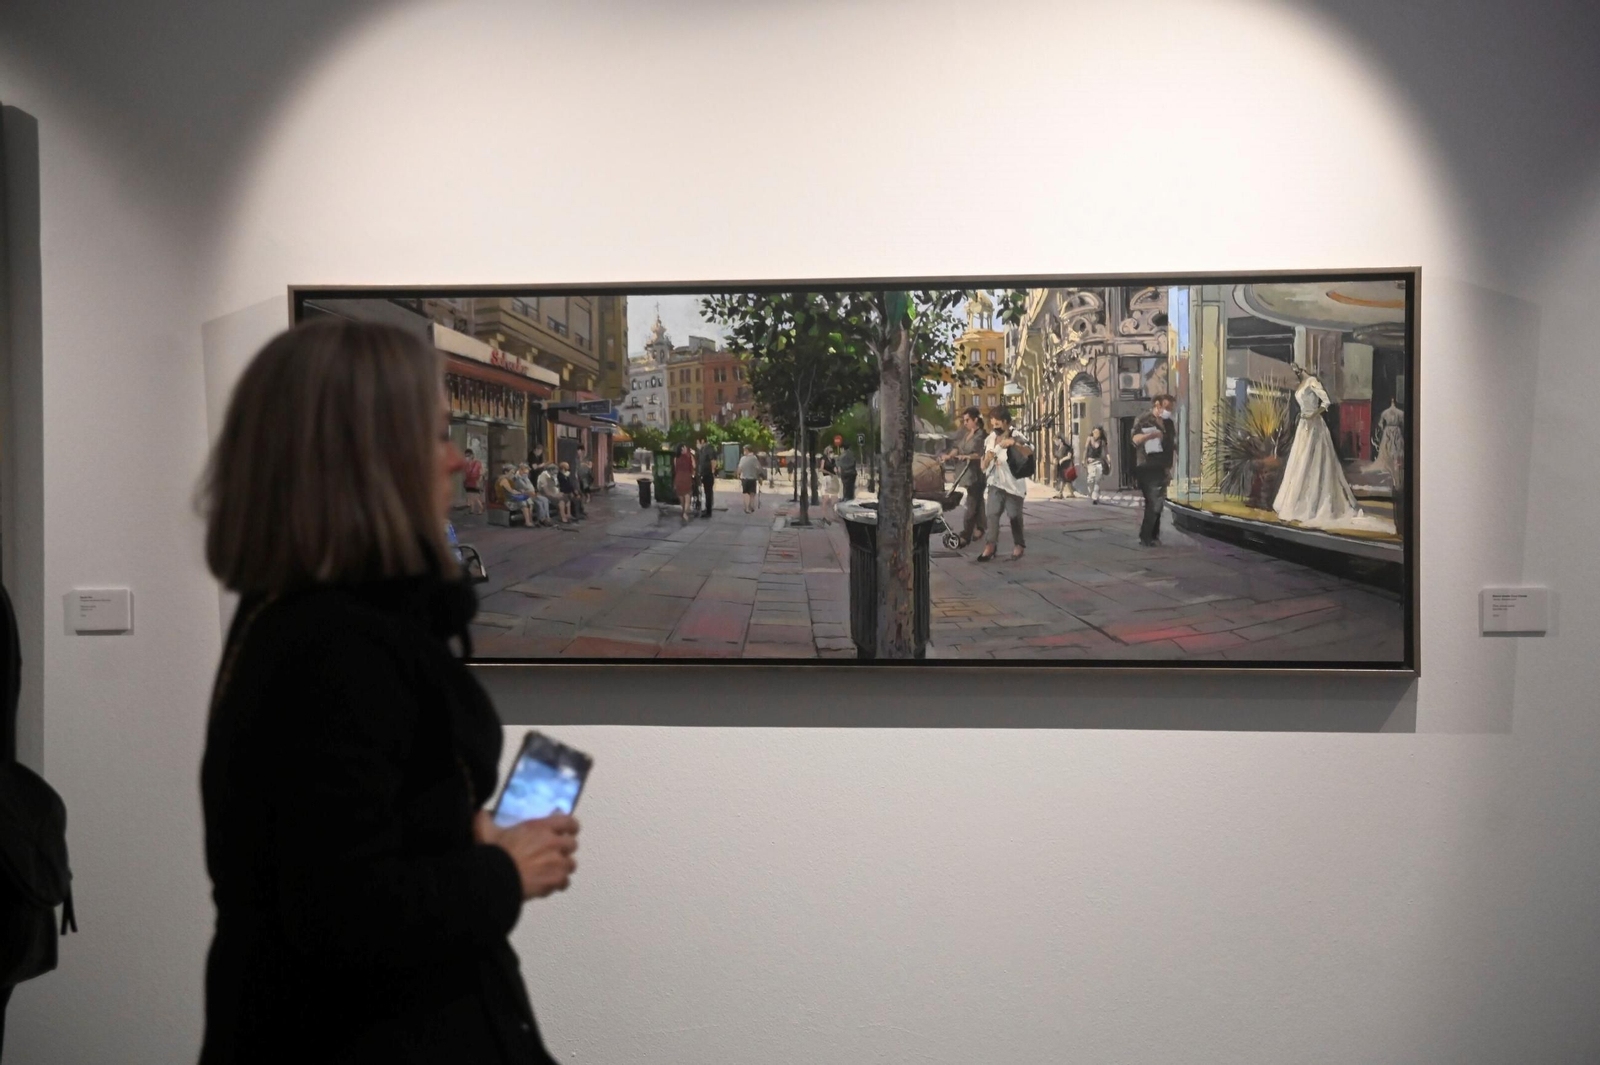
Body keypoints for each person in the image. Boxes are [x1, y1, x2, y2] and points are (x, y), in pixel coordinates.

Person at [198, 318, 579, 1064]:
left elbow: (334, 838)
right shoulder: (335, 645)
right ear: (367, 458)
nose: (458, 462)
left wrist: (460, 834)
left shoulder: (300, 618)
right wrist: (503, 870)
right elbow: (341, 913)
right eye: (438, 434)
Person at [1273, 365, 1368, 528]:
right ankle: (1296, 504)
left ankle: (1314, 505)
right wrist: (1302, 416)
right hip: (1303, 426)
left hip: (1314, 426)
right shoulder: (1301, 384)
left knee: (1312, 462)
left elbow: (1326, 401)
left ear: (1301, 367)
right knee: (1300, 463)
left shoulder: (1312, 382)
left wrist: (1313, 414)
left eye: (1295, 368)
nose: (1294, 371)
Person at [977, 407, 1032, 562]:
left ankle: (1019, 545)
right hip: (995, 482)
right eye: (993, 424)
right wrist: (986, 460)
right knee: (992, 514)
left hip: (1013, 484)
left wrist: (1014, 444)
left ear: (1006, 422)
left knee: (1014, 516)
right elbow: (984, 463)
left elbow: (1029, 451)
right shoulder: (990, 439)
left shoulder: (1016, 435)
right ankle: (990, 546)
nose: (995, 428)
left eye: (998, 424)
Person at [1131, 394, 1177, 546]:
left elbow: (1172, 443)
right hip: (1147, 466)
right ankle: (1146, 537)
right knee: (1153, 501)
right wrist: (1151, 435)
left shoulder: (1169, 423)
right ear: (1157, 405)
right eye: (1167, 408)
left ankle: (1153, 536)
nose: (1169, 411)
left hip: (1162, 467)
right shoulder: (1144, 419)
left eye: (1171, 408)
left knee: (1158, 502)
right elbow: (1135, 440)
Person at [940, 406, 988, 549]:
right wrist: (949, 455)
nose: (965, 423)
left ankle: (965, 536)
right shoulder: (967, 434)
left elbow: (980, 454)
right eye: (964, 420)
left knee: (971, 504)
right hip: (967, 474)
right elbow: (958, 448)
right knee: (977, 502)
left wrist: (966, 456)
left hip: (977, 474)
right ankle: (980, 528)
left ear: (976, 420)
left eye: (968, 420)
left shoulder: (982, 436)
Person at [495, 462, 535, 527]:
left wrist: (520, 491)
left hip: (512, 497)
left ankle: (530, 520)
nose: (513, 474)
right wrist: (521, 492)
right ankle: (527, 521)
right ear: (506, 472)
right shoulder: (503, 480)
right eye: (511, 472)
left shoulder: (509, 479)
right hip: (506, 499)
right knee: (523, 501)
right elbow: (511, 491)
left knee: (528, 499)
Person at [1083, 426, 1109, 504]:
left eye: (1097, 432)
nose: (1095, 434)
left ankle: (1095, 497)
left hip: (1099, 462)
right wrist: (1083, 459)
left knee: (1097, 480)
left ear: (1100, 434)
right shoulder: (1089, 439)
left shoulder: (1102, 441)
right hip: (1090, 462)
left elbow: (1106, 452)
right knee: (1090, 480)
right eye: (1094, 432)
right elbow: (1085, 450)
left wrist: (1109, 461)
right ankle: (1093, 493)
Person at [696, 435, 718, 519]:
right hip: (704, 474)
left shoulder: (709, 449)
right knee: (707, 492)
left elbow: (713, 461)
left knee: (708, 493)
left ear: (702, 441)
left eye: (698, 442)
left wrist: (712, 471)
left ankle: (709, 511)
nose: (697, 444)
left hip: (708, 474)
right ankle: (707, 508)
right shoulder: (703, 450)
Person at [673, 443, 696, 522]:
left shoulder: (676, 458)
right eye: (685, 448)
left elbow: (675, 468)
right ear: (682, 449)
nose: (686, 449)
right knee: (687, 495)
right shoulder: (690, 457)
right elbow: (694, 466)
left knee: (681, 497)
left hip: (678, 478)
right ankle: (685, 513)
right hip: (687, 478)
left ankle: (683, 510)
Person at [737, 446, 762, 513]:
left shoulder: (743, 459)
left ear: (747, 450)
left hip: (744, 479)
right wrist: (759, 477)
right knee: (752, 493)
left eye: (744, 450)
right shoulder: (754, 458)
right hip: (752, 479)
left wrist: (738, 474)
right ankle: (751, 506)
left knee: (745, 493)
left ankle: (747, 508)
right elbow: (758, 468)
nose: (743, 452)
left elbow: (739, 468)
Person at [1052, 435, 1077, 499]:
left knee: (1063, 479)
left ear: (1060, 440)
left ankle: (1060, 493)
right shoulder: (1058, 448)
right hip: (1061, 466)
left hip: (1067, 466)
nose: (1055, 443)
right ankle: (1072, 494)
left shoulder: (1067, 447)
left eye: (1056, 441)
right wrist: (1055, 459)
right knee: (1067, 481)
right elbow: (1056, 456)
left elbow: (1069, 456)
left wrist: (1062, 459)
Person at [820, 447, 840, 520]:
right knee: (826, 498)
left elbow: (835, 469)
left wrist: (836, 470)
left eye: (832, 451)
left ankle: (833, 516)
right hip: (826, 479)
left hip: (833, 479)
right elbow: (821, 469)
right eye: (830, 451)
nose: (831, 453)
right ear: (827, 452)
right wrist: (829, 472)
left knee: (834, 499)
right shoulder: (824, 459)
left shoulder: (833, 460)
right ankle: (824, 516)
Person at [463, 448, 485, 515]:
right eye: (466, 456)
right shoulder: (466, 465)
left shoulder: (477, 463)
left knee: (476, 497)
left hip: (475, 482)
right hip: (468, 482)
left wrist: (479, 481)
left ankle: (481, 508)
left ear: (472, 455)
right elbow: (466, 474)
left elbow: (481, 472)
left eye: (468, 455)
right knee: (470, 496)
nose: (467, 457)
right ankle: (472, 510)